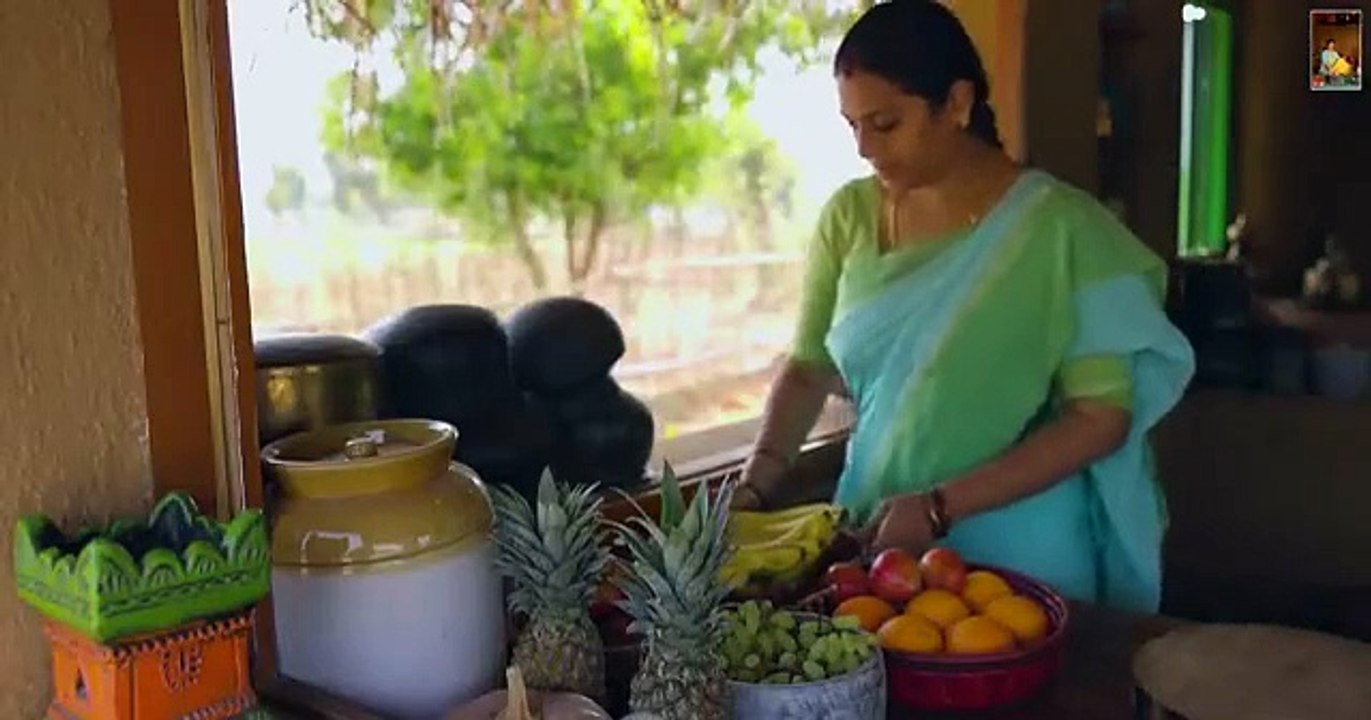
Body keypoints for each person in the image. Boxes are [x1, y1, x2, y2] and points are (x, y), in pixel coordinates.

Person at [733, 0, 1194, 613]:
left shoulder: (1061, 230)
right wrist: (754, 488)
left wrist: (938, 507)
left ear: (956, 103)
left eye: (885, 124)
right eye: (853, 126)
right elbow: (809, 367)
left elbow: (1099, 418)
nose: (865, 147)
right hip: (870, 545)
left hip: (1019, 567)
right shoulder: (849, 217)